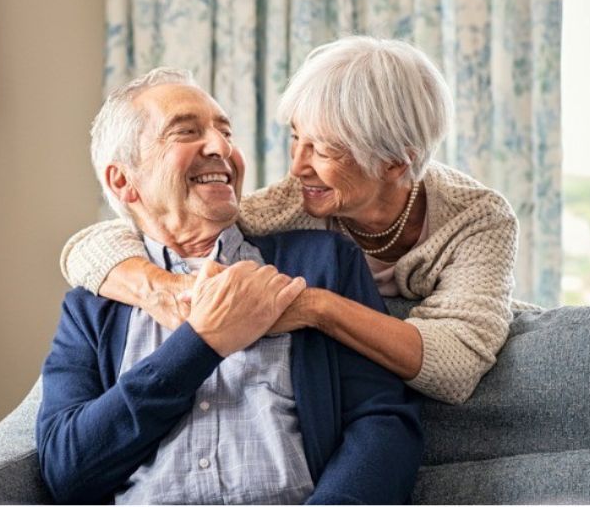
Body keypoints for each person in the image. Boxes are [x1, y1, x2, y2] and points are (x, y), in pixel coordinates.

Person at [59, 36, 523, 405]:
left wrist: (315, 308)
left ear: (395, 164)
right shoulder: (291, 204)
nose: (298, 167)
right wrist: (163, 288)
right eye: (296, 139)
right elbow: (95, 244)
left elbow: (457, 365)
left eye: (322, 149)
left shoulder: (477, 219)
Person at [36, 69, 423, 504]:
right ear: (123, 182)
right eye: (186, 132)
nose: (222, 147)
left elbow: (384, 423)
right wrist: (200, 343)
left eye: (226, 132)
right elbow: (67, 471)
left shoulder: (321, 263)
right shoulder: (92, 308)